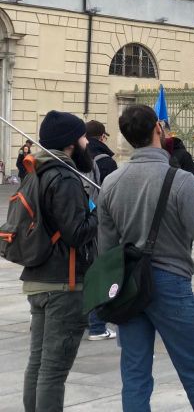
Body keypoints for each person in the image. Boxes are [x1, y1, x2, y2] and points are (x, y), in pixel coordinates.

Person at [97, 104, 194, 411]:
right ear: (158, 129)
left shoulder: (111, 183)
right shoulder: (179, 180)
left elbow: (106, 250)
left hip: (128, 285)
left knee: (135, 377)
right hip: (170, 284)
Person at [22, 111, 98, 412]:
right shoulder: (64, 176)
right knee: (53, 370)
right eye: (83, 137)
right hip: (63, 285)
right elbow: (77, 233)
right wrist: (99, 211)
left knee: (38, 363)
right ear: (70, 143)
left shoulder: (37, 170)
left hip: (39, 279)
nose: (87, 142)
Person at [84, 120, 119, 341]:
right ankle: (97, 325)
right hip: (100, 224)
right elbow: (113, 196)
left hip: (79, 224)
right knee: (100, 273)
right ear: (102, 137)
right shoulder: (105, 161)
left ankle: (85, 321)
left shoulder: (74, 158)